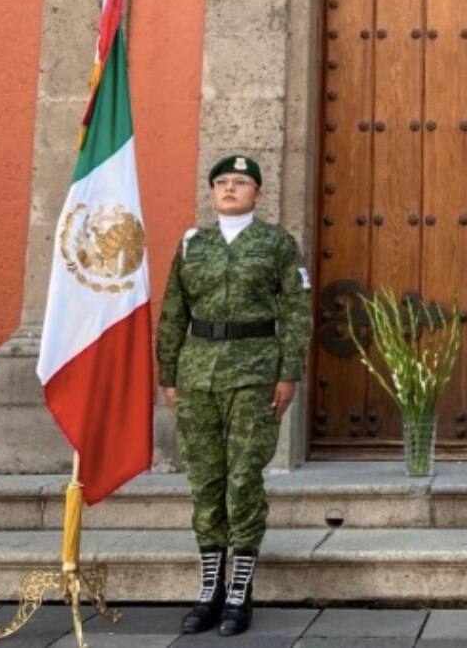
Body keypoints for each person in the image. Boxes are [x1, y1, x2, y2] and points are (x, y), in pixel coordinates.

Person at [156, 154, 313, 636]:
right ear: (212, 192)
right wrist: (169, 374)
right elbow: (172, 311)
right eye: (221, 182)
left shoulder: (276, 243)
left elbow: (296, 310)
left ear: (257, 193)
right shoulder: (191, 245)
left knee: (243, 478)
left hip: (255, 370)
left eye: (240, 182)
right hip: (198, 371)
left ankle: (240, 591)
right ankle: (210, 590)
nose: (229, 189)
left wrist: (289, 373)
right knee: (205, 481)